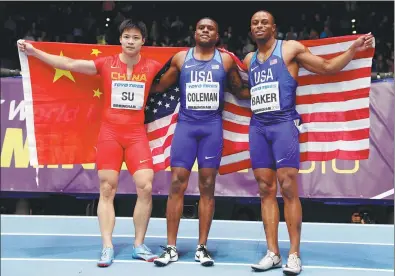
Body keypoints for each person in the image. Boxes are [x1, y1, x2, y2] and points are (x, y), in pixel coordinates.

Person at [17, 20, 163, 267]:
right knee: (107, 188)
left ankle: (139, 244)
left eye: (136, 37)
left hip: (136, 135)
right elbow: (70, 64)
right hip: (110, 134)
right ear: (120, 39)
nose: (130, 41)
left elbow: (185, 68)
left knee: (146, 187)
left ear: (143, 42)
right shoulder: (106, 64)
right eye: (126, 36)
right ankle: (107, 246)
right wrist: (34, 51)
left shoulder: (153, 66)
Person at [241, 11, 374, 275]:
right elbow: (248, 91)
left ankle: (293, 254)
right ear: (250, 29)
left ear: (274, 27)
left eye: (264, 22)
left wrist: (352, 49)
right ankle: (272, 253)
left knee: (288, 188)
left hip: (283, 125)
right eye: (255, 22)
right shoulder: (248, 59)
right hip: (258, 127)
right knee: (265, 190)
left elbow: (326, 68)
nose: (259, 26)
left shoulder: (289, 49)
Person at [150, 17, 248, 267]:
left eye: (210, 28)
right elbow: (159, 86)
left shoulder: (225, 60)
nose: (205, 31)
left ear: (217, 35)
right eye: (201, 28)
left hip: (211, 129)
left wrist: (273, 90)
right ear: (195, 33)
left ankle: (202, 247)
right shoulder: (181, 58)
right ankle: (171, 247)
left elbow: (238, 91)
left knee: (207, 185)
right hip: (186, 128)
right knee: (176, 184)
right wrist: (132, 79)